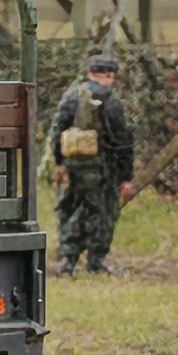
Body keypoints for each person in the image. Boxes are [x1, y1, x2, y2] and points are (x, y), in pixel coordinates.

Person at [48, 52, 135, 276]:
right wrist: (126, 176)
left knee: (70, 210)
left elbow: (57, 131)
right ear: (110, 76)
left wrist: (59, 163)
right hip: (101, 169)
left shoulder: (71, 95)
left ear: (89, 73)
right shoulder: (111, 102)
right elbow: (122, 142)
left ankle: (68, 261)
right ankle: (96, 261)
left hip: (72, 165)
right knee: (102, 213)